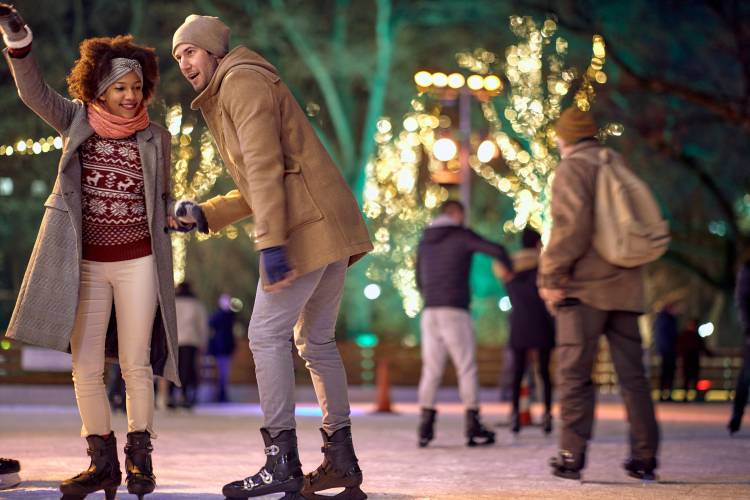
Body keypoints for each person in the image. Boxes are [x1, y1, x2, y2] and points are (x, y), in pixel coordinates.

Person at [170, 15, 373, 500]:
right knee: (316, 342)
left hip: (304, 227)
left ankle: (281, 462)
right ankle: (340, 461)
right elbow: (257, 180)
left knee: (265, 335)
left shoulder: (240, 81)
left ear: (214, 51)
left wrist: (272, 242)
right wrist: (206, 213)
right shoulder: (242, 81)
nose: (184, 63)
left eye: (191, 52)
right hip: (327, 223)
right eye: (178, 57)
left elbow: (265, 169)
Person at [0, 5, 179, 498]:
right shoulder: (75, 120)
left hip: (139, 261)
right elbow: (32, 91)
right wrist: (18, 41)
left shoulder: (156, 138)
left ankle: (139, 459)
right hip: (85, 265)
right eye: (120, 87)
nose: (129, 96)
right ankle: (101, 463)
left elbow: (164, 200)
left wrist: (177, 212)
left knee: (136, 362)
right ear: (100, 87)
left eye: (137, 88)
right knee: (85, 366)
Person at [539, 105, 659, 481]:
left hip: (583, 289)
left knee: (575, 375)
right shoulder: (615, 164)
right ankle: (645, 456)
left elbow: (570, 228)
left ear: (564, 137)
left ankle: (570, 455)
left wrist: (551, 276)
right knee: (633, 377)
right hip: (627, 287)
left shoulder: (573, 168)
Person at [415, 200, 512, 448]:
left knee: (431, 369)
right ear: (456, 213)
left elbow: (418, 278)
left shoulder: (425, 241)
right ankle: (473, 424)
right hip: (455, 311)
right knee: (466, 367)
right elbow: (496, 249)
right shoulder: (460, 235)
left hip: (430, 311)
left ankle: (424, 427)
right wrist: (510, 272)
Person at [493, 227, 555, 435]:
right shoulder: (545, 268)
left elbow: (498, 267)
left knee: (518, 374)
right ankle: (547, 414)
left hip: (519, 325)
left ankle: (514, 417)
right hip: (542, 324)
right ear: (538, 244)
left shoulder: (511, 272)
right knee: (544, 373)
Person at [169, 281, 209, 409]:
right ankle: (185, 396)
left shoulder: (173, 303)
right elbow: (202, 325)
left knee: (173, 369)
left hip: (174, 341)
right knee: (187, 368)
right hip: (190, 340)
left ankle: (171, 396)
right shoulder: (196, 305)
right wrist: (204, 342)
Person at [729, 260, 750, 434]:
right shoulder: (747, 269)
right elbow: (742, 300)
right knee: (746, 376)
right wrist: (748, 327)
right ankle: (736, 415)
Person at [208, 293, 237, 403]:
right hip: (222, 348)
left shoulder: (225, 316)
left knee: (223, 373)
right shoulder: (227, 316)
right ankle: (220, 394)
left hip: (223, 348)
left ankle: (221, 393)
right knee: (222, 372)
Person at [677, 318, 712, 400]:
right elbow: (680, 347)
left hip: (693, 360)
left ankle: (693, 396)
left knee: (693, 379)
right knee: (687, 379)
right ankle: (686, 396)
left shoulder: (693, 336)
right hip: (688, 360)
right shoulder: (685, 335)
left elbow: (702, 347)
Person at [653, 304, 679, 401]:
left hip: (668, 350)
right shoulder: (666, 319)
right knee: (667, 373)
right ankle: (665, 394)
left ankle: (665, 393)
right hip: (668, 351)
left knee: (667, 373)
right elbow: (666, 336)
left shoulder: (665, 319)